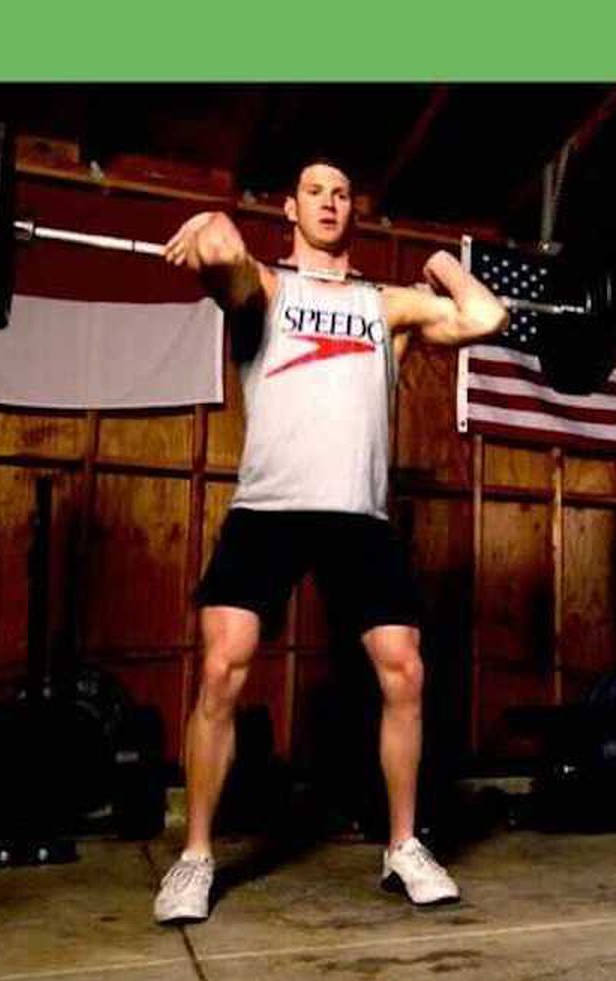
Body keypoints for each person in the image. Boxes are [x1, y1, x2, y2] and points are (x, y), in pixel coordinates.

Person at [150, 157, 507, 923]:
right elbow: (223, 256)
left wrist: (442, 264)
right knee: (221, 670)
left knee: (404, 673)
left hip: (358, 515)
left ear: (355, 212)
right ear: (290, 208)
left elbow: (485, 318)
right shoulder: (268, 292)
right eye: (315, 190)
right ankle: (195, 856)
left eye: (343, 193)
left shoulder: (388, 306)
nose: (330, 201)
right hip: (271, 508)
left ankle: (404, 847)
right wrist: (211, 228)